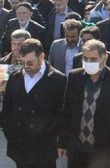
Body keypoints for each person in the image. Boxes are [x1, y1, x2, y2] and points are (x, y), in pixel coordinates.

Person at [58, 39, 110, 168]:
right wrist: (63, 143)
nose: (88, 63)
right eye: (85, 58)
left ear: (104, 58)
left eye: (93, 59)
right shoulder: (74, 77)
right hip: (77, 149)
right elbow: (67, 111)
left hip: (105, 152)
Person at [0, 39, 66, 168]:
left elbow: (63, 113)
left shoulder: (58, 80)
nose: (25, 66)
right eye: (22, 62)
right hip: (19, 144)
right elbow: (7, 107)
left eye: (30, 62)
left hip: (44, 146)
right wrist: (10, 131)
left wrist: (54, 136)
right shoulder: (14, 77)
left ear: (41, 56)